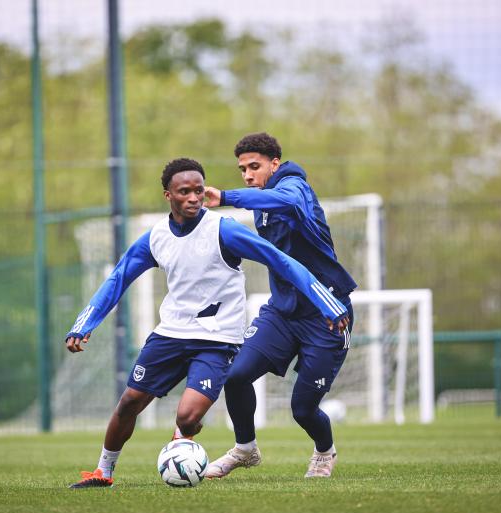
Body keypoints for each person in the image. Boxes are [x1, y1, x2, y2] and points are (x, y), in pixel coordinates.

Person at [66, 157, 349, 488]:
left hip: (216, 340)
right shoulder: (155, 237)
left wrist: (325, 301)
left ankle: (191, 440)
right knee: (129, 402)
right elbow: (117, 280)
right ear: (167, 195)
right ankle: (104, 471)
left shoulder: (223, 230)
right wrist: (82, 325)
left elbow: (282, 261)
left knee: (187, 416)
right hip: (170, 334)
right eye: (184, 191)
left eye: (198, 190)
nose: (193, 197)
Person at [204, 132, 357, 479]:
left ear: (275, 164)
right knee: (237, 375)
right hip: (283, 313)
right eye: (242, 169)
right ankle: (245, 449)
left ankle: (324, 451)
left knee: (302, 409)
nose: (247, 175)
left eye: (254, 166)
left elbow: (286, 203)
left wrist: (227, 197)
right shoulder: (262, 201)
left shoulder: (294, 187)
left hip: (326, 313)